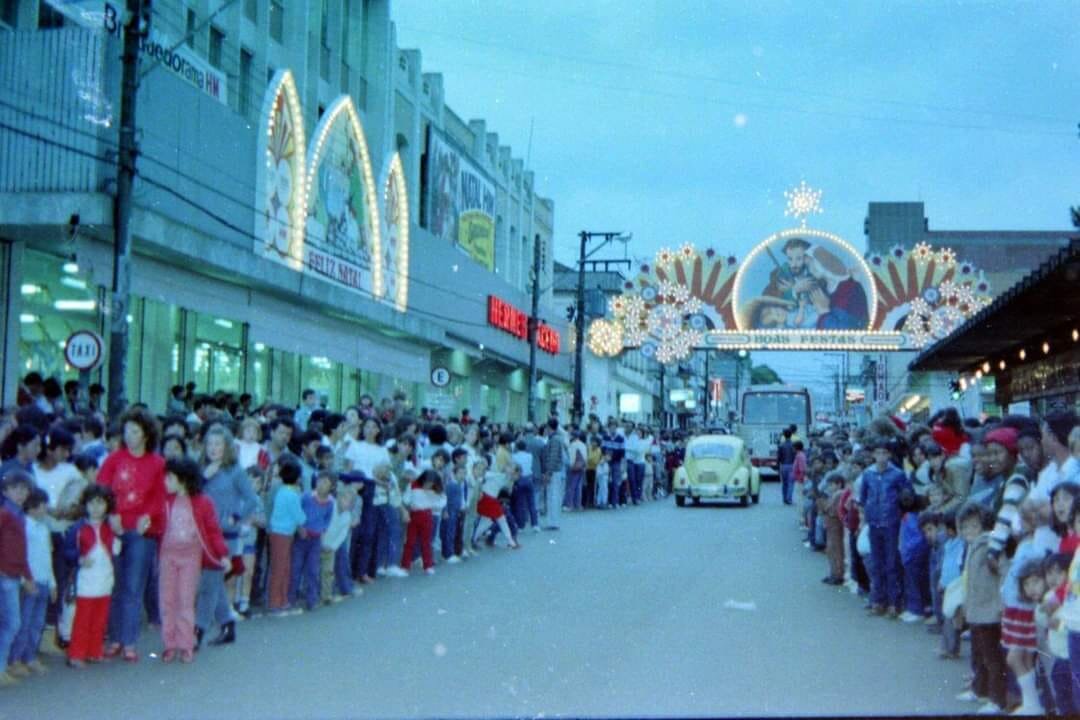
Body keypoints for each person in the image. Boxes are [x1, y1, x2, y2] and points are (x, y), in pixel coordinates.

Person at [96, 407, 166, 663]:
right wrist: (110, 513)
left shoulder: (157, 463)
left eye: (135, 431)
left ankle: (129, 640)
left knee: (134, 586)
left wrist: (146, 517)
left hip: (141, 531)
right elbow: (101, 489)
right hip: (114, 528)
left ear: (146, 434)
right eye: (126, 431)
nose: (129, 436)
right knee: (115, 583)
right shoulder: (114, 460)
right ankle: (114, 638)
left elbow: (160, 497)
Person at [159, 457, 228, 664]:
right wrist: (144, 524)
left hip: (191, 558)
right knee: (167, 600)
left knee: (186, 600)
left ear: (183, 479)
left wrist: (222, 554)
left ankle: (186, 644)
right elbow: (154, 522)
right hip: (167, 557)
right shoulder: (164, 500)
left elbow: (213, 531)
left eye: (169, 477)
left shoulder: (202, 502)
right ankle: (170, 644)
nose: (165, 481)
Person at [197, 425, 259, 648]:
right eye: (210, 444)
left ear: (227, 447)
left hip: (226, 534)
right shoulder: (201, 468)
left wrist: (236, 516)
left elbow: (252, 499)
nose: (213, 449)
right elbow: (192, 493)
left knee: (209, 583)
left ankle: (199, 630)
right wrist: (204, 477)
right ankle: (227, 624)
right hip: (202, 533)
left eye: (218, 444)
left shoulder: (235, 471)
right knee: (213, 584)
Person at [955, 502, 1006, 713]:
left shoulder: (988, 546)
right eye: (965, 527)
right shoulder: (972, 547)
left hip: (989, 612)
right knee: (978, 655)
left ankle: (996, 699)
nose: (969, 531)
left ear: (983, 526)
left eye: (973, 527)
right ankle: (979, 690)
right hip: (976, 611)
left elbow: (1001, 572)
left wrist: (1001, 605)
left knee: (992, 658)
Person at [64, 484, 117, 669]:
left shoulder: (110, 527)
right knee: (83, 619)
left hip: (105, 579)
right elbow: (67, 551)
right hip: (85, 581)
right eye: (92, 503)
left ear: (107, 505)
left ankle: (94, 651)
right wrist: (79, 559)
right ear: (85, 505)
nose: (96, 508)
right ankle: (76, 654)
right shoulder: (78, 528)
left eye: (100, 503)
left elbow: (117, 549)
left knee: (100, 618)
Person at [6, 488, 55, 678]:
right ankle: (15, 659)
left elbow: (47, 557)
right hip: (29, 581)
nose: (45, 509)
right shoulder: (24, 527)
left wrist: (52, 583)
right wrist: (24, 579)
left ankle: (30, 656)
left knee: (37, 622)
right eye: (42, 505)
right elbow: (20, 556)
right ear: (32, 507)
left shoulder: (43, 528)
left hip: (43, 579)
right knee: (24, 623)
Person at [859, 439, 911, 617]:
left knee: (891, 563)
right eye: (878, 453)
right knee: (876, 563)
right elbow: (863, 498)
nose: (881, 457)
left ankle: (894, 603)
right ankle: (878, 600)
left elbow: (906, 497)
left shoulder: (897, 474)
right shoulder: (868, 474)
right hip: (874, 523)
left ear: (889, 455)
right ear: (873, 455)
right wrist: (864, 519)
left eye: (884, 453)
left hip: (892, 523)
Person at [0, 472, 34, 686]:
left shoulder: (19, 515)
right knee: (12, 622)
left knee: (10, 622)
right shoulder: (5, 514)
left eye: (24, 489)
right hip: (4, 575)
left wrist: (27, 576)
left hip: (13, 574)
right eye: (16, 489)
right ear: (5, 491)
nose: (21, 493)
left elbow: (21, 551)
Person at [290, 471, 335, 611]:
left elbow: (327, 519)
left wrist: (323, 530)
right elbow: (297, 511)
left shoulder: (330, 503)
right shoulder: (306, 497)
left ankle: (312, 599)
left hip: (316, 539)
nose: (321, 485)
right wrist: (300, 527)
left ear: (331, 486)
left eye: (325, 483)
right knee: (296, 568)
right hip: (302, 536)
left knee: (313, 570)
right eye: (320, 481)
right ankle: (291, 598)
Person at [267, 458, 305, 616]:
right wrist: (304, 526)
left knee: (283, 567)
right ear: (297, 478)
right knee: (280, 568)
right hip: (282, 534)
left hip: (280, 533)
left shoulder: (282, 491)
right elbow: (300, 517)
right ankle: (276, 603)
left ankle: (282, 601)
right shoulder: (292, 495)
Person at [400, 469, 447, 575]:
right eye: (426, 483)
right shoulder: (413, 485)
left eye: (431, 484)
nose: (428, 485)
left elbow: (443, 500)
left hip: (427, 515)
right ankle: (405, 566)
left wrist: (433, 505)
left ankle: (428, 566)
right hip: (414, 515)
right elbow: (406, 500)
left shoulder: (437, 489)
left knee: (426, 542)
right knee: (410, 542)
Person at [898, 489, 930, 623]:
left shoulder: (912, 518)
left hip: (912, 556)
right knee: (911, 583)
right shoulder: (908, 517)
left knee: (914, 583)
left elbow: (917, 539)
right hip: (909, 555)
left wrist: (907, 551)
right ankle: (913, 608)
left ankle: (917, 610)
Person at [471, 462, 520, 551]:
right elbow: (481, 478)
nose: (510, 470)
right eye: (509, 467)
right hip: (486, 497)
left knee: (487, 521)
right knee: (500, 519)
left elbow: (509, 491)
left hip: (490, 499)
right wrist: (479, 490)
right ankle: (510, 541)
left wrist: (512, 479)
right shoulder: (495, 474)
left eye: (512, 468)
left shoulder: (506, 478)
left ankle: (473, 538)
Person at [540, 419, 566, 530]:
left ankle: (553, 522)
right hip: (555, 471)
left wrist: (548, 472)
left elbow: (553, 457)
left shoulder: (554, 440)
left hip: (554, 472)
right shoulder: (557, 438)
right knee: (553, 496)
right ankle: (552, 521)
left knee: (553, 496)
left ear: (549, 428)